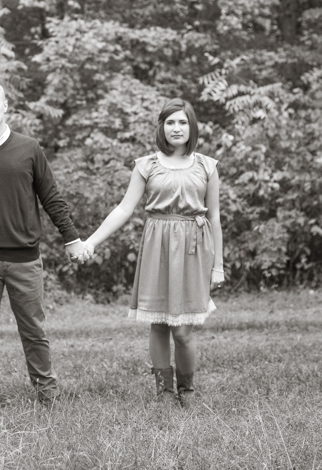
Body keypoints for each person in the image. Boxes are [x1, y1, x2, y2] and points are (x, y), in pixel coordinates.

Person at [0, 78, 89, 404]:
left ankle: (47, 394)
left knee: (34, 331)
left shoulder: (29, 148)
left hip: (25, 259)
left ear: (5, 106)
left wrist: (72, 238)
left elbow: (51, 197)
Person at [83, 98, 224, 407]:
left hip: (193, 250)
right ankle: (165, 393)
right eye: (170, 122)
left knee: (183, 330)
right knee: (159, 324)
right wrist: (92, 241)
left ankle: (187, 390)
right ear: (162, 127)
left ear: (191, 127)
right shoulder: (146, 165)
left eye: (182, 122)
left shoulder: (206, 165)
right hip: (156, 247)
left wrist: (218, 266)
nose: (176, 128)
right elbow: (124, 209)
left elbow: (214, 217)